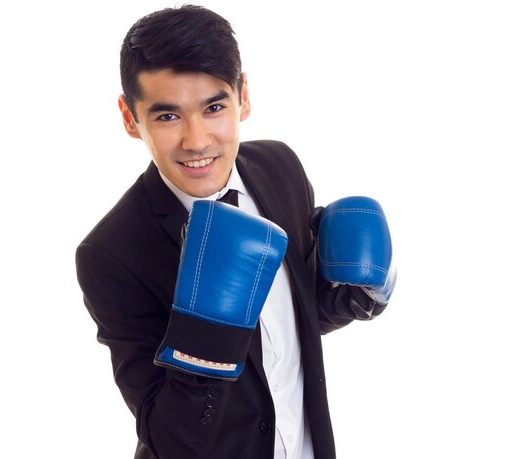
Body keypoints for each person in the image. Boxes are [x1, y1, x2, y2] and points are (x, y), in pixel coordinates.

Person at [75, 5, 395, 459]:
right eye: (167, 117)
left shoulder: (280, 167)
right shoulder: (111, 254)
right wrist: (205, 337)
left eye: (214, 107)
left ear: (243, 96)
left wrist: (349, 297)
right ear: (130, 118)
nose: (197, 141)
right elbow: (169, 442)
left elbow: (284, 326)